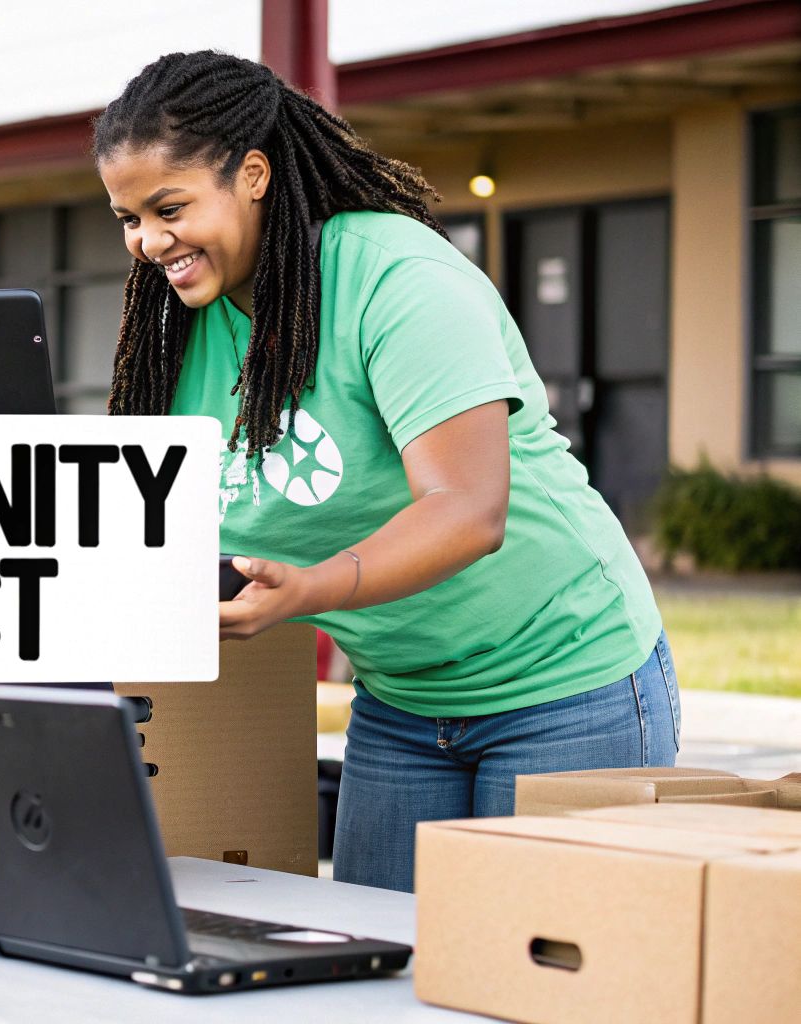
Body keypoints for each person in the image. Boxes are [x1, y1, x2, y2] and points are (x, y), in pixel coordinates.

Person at [93, 51, 674, 893]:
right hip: (402, 705)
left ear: (253, 174)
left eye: (170, 208)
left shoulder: (398, 279)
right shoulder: (176, 336)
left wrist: (307, 592)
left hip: (565, 683)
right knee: (380, 973)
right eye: (128, 218)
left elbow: (468, 509)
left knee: (533, 975)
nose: (149, 242)